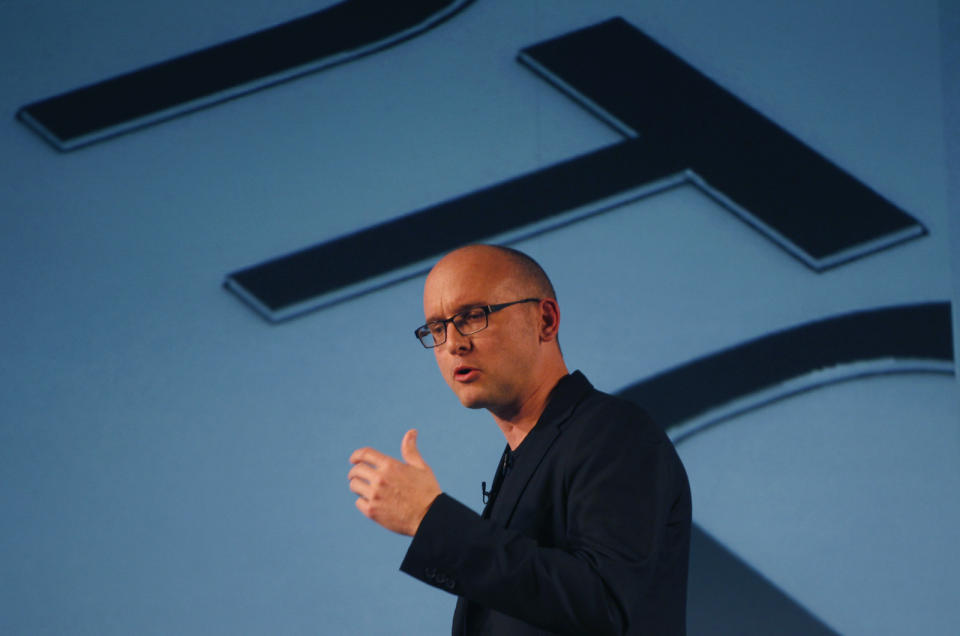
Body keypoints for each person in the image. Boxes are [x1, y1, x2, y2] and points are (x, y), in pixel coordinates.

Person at [348, 244, 691, 635]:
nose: (452, 344)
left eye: (473, 316)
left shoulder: (615, 433)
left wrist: (431, 520)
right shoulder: (522, 456)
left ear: (545, 320)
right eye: (438, 328)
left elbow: (603, 603)